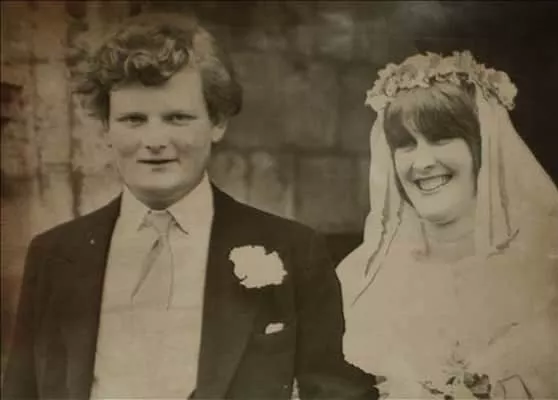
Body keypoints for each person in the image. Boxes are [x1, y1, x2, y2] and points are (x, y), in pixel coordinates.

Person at [2, 12, 378, 400]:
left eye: (177, 118)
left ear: (217, 122)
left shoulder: (294, 251)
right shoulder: (54, 256)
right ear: (106, 129)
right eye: (133, 119)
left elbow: (339, 392)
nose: (154, 140)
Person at [337, 51, 558, 399]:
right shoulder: (357, 279)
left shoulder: (545, 266)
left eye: (441, 138)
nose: (422, 162)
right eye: (406, 145)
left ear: (482, 147)